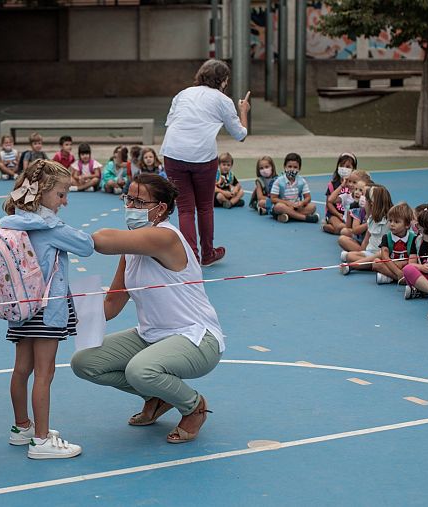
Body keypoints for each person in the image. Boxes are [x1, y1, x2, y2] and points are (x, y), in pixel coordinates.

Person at [72, 174, 224, 444]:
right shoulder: (131, 249)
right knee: (84, 363)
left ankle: (193, 406)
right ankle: (157, 397)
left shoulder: (165, 238)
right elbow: (111, 304)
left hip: (196, 337)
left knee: (139, 370)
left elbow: (103, 240)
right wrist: (67, 317)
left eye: (139, 201)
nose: (130, 206)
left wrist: (61, 236)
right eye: (128, 198)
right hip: (151, 335)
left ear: (161, 208)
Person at [0, 159, 94, 459]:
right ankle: (41, 441)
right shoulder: (49, 226)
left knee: (21, 369)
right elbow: (86, 245)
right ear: (42, 193)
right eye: (61, 194)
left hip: (21, 306)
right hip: (45, 309)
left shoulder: (14, 221)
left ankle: (21, 428)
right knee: (45, 372)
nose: (64, 201)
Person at [159, 59, 249, 266]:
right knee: (205, 207)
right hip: (202, 157)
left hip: (173, 153)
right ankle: (207, 253)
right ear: (223, 80)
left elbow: (171, 122)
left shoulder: (183, 94)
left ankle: (191, 257)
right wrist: (243, 110)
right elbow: (240, 135)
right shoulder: (223, 100)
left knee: (185, 209)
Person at [340, 185, 393, 275]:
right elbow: (365, 241)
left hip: (382, 254)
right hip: (370, 253)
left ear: (372, 204)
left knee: (377, 259)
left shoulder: (389, 221)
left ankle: (354, 265)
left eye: (367, 201)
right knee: (350, 256)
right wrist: (361, 253)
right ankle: (366, 264)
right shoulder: (371, 219)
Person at [371, 203, 417, 284]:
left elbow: (413, 260)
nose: (392, 224)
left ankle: (390, 278)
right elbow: (384, 256)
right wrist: (398, 273)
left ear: (407, 225)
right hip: (391, 265)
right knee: (376, 263)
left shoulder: (413, 238)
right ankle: (401, 279)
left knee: (412, 268)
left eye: (396, 221)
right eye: (390, 220)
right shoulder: (386, 237)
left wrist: (403, 263)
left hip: (405, 266)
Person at [268, 153, 318, 223]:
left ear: (299, 168)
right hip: (283, 206)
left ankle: (287, 216)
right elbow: (273, 199)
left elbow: (308, 198)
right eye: (289, 166)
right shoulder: (278, 181)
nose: (292, 169)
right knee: (279, 207)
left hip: (296, 207)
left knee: (312, 207)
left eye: (295, 167)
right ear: (285, 167)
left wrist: (302, 203)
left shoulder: (302, 181)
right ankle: (304, 218)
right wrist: (287, 203)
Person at [322, 153, 357, 234]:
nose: (344, 169)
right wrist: (338, 214)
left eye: (348, 167)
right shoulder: (332, 184)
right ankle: (326, 225)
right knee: (341, 227)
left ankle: (333, 228)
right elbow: (329, 203)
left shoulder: (355, 185)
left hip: (350, 215)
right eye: (342, 166)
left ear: (354, 169)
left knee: (349, 228)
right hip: (335, 215)